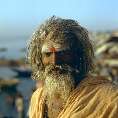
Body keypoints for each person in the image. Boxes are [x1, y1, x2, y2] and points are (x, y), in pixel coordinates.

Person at [27, 16, 118, 118]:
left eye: (63, 53)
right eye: (47, 54)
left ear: (78, 54)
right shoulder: (37, 98)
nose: (55, 61)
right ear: (40, 58)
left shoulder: (109, 99)